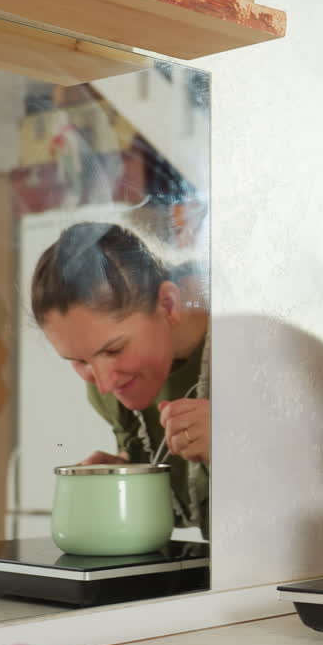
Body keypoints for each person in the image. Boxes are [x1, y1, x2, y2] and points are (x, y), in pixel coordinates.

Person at [31, 221, 211, 537]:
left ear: (168, 305)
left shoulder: (250, 348)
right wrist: (127, 473)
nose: (103, 383)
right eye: (78, 361)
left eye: (113, 350)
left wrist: (237, 445)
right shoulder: (108, 391)